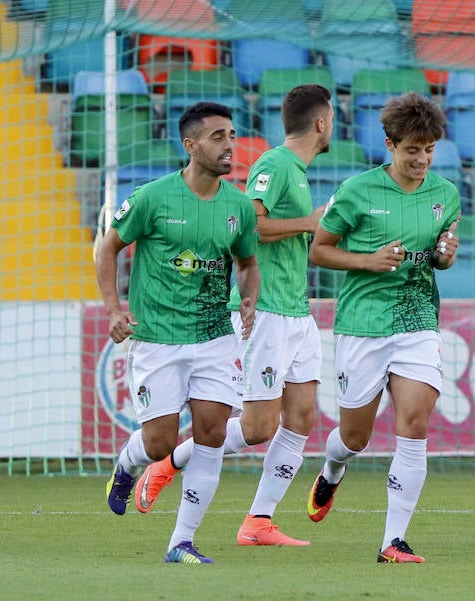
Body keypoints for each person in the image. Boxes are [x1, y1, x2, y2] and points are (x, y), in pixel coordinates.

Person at [131, 84, 335, 547]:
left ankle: (258, 522)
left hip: (297, 312)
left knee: (301, 419)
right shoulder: (275, 164)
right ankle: (170, 461)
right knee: (259, 427)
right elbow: (252, 224)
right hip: (267, 313)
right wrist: (309, 223)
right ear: (321, 122)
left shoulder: (299, 172)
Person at [96, 101, 260, 564]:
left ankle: (181, 542)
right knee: (161, 443)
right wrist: (114, 309)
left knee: (211, 434)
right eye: (217, 137)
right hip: (158, 339)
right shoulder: (152, 198)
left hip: (214, 337)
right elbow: (108, 250)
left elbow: (248, 264)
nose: (229, 145)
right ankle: (128, 466)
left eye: (231, 135)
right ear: (190, 146)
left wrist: (247, 297)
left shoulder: (239, 207)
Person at [305, 92, 461, 564]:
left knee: (414, 423)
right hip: (363, 324)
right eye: (413, 150)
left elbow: (440, 254)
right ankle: (332, 468)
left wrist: (445, 257)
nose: (422, 159)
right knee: (355, 437)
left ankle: (392, 541)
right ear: (391, 145)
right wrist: (366, 261)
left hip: (417, 321)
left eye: (430, 149)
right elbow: (318, 250)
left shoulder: (446, 195)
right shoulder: (358, 191)